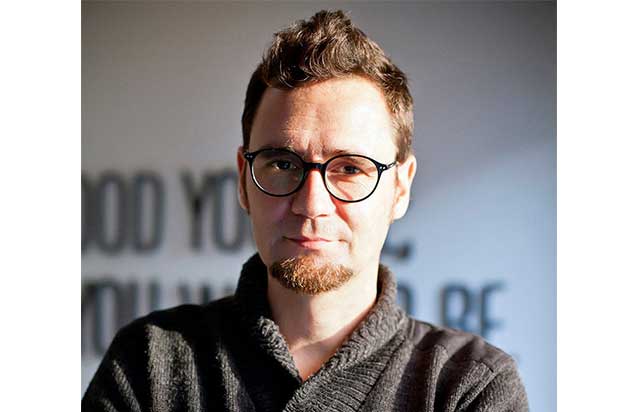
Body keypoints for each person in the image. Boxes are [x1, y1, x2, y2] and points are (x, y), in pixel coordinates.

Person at [82, 10, 528, 411]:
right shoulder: (149, 364)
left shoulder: (468, 387)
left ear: (400, 187)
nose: (311, 204)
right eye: (282, 164)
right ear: (243, 178)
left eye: (350, 168)